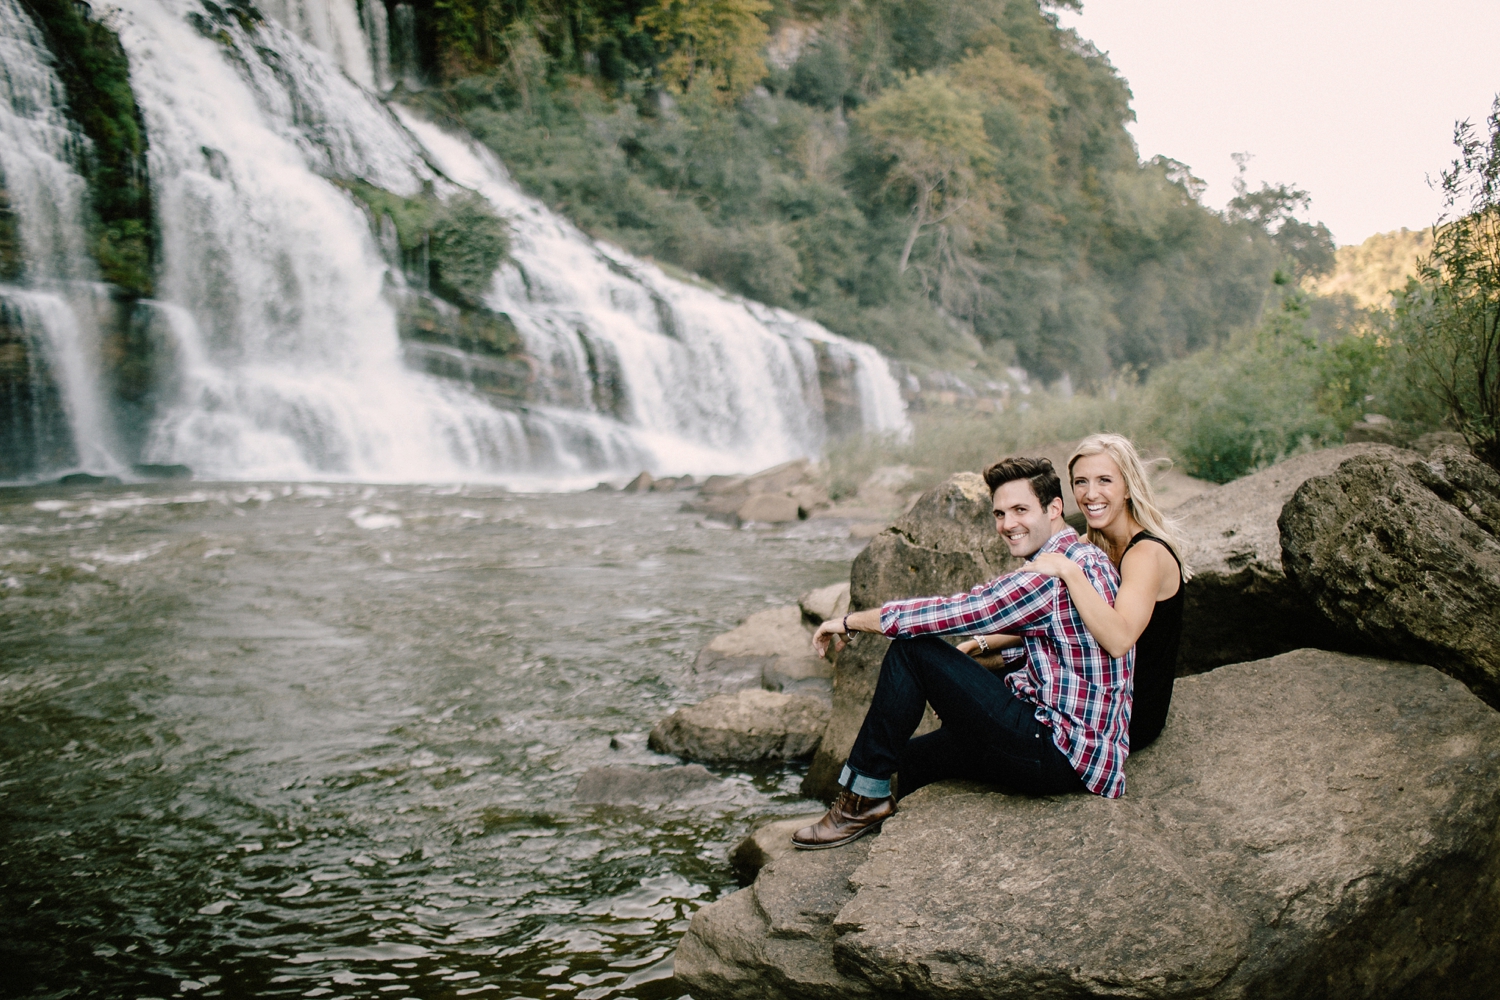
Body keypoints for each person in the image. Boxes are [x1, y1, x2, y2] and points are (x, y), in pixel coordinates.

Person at [792, 456, 1132, 851]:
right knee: (916, 757)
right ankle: (902, 849)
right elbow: (1062, 645)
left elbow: (957, 612)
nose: (1007, 524)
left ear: (1054, 508)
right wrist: (974, 672)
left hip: (1059, 750)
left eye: (1021, 510)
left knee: (913, 650)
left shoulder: (1049, 573)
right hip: (1082, 745)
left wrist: (851, 622)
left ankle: (861, 801)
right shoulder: (1087, 557)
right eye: (1000, 513)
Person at [1001, 434, 1188, 751]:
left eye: (1105, 480)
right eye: (1081, 482)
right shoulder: (1089, 547)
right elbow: (1042, 616)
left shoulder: (1145, 554)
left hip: (1126, 718)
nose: (1090, 494)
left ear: (1128, 487)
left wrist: (1070, 573)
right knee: (971, 682)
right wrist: (977, 644)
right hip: (1090, 688)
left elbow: (1118, 640)